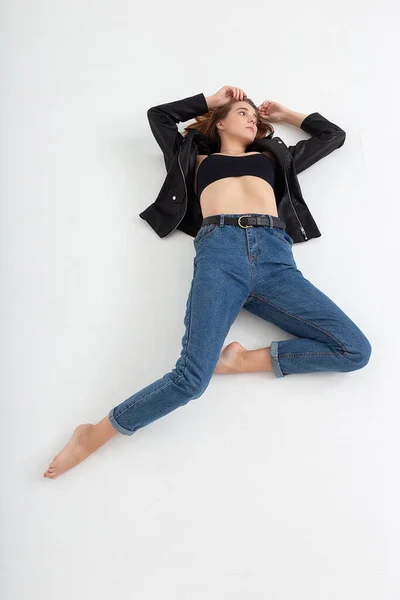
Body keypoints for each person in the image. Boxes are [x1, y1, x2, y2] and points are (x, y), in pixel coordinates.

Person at [43, 86, 371, 479]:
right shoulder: (193, 158)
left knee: (355, 350)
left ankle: (241, 360)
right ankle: (93, 434)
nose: (252, 118)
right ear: (220, 122)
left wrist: (285, 114)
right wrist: (211, 100)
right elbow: (158, 117)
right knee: (191, 380)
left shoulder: (274, 158)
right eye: (243, 112)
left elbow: (332, 136)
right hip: (221, 257)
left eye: (255, 116)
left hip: (276, 261)